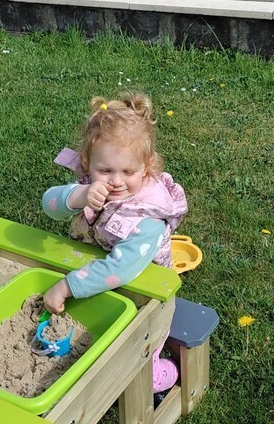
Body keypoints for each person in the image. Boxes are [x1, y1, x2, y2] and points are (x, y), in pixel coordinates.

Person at [41, 93, 188, 315]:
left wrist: (66, 286)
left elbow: (121, 269)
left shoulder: (149, 219)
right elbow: (49, 204)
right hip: (91, 274)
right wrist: (80, 195)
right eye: (105, 170)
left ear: (146, 168)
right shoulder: (90, 186)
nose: (116, 181)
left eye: (128, 172)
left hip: (139, 296)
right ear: (87, 163)